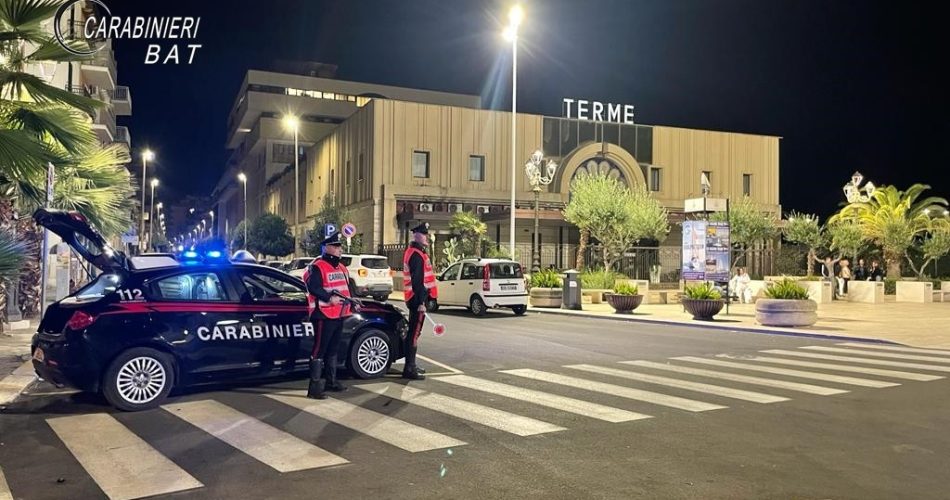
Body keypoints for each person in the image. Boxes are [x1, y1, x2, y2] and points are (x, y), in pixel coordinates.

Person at [304, 230, 356, 399]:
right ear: (327, 248)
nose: (340, 249)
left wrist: (353, 302)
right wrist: (328, 298)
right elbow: (313, 287)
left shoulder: (341, 267)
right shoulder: (318, 266)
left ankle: (331, 382)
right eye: (336, 246)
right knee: (319, 350)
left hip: (338, 314)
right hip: (323, 314)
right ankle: (314, 388)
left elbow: (347, 289)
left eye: (340, 246)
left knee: (333, 349)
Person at [402, 222, 438, 380]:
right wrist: (421, 303)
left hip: (414, 298)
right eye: (424, 234)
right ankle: (409, 368)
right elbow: (418, 282)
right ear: (417, 236)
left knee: (414, 333)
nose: (427, 237)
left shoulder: (416, 252)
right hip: (416, 300)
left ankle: (411, 365)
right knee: (414, 334)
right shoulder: (416, 255)